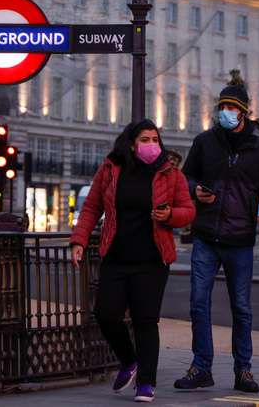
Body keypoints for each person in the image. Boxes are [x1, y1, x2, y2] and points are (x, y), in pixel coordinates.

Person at [175, 71, 259, 394]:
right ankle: (201, 367)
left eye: (232, 107)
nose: (226, 111)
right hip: (206, 236)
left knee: (242, 307)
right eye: (223, 106)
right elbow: (186, 180)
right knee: (198, 302)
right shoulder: (204, 142)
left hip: (240, 239)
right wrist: (196, 191)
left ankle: (244, 371)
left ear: (244, 112)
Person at [70, 119, 195, 403]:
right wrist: (79, 240)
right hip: (116, 256)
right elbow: (92, 207)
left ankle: (146, 384)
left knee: (145, 321)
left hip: (152, 259)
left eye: (155, 139)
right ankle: (129, 361)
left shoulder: (170, 173)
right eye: (145, 140)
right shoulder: (111, 169)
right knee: (105, 314)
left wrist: (170, 216)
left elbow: (188, 211)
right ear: (131, 143)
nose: (152, 145)